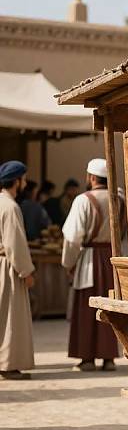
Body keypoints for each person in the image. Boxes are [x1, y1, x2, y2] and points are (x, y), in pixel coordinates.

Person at [61, 159, 120, 372]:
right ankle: (109, 358)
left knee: (86, 309)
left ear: (92, 177)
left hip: (89, 259)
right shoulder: (119, 197)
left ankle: (86, 358)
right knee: (111, 308)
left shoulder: (83, 200)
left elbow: (72, 237)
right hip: (112, 257)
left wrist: (68, 262)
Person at [0, 161, 36, 380]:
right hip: (7, 266)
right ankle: (8, 365)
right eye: (23, 179)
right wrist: (26, 271)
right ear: (16, 181)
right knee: (10, 317)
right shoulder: (10, 207)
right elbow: (15, 244)